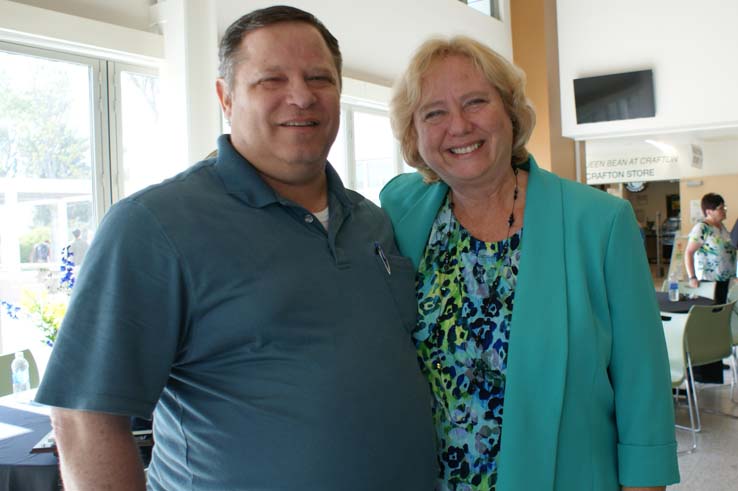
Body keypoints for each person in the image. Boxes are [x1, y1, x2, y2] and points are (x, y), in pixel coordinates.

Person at [35, 6, 436, 490]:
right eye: (271, 80)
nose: (302, 96)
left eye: (319, 78)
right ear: (226, 98)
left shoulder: (370, 219)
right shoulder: (154, 226)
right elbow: (85, 418)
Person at [380, 36, 679, 490]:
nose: (458, 126)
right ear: (414, 137)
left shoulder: (599, 222)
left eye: (475, 101)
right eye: (433, 113)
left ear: (511, 112)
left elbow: (644, 390)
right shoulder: (401, 213)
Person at [684, 193, 737, 383]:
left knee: (718, 323)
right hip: (707, 282)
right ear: (709, 211)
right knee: (707, 323)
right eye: (721, 208)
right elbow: (689, 252)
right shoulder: (702, 227)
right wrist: (692, 277)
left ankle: (714, 361)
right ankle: (703, 367)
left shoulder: (721, 227)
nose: (724, 211)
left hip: (723, 282)